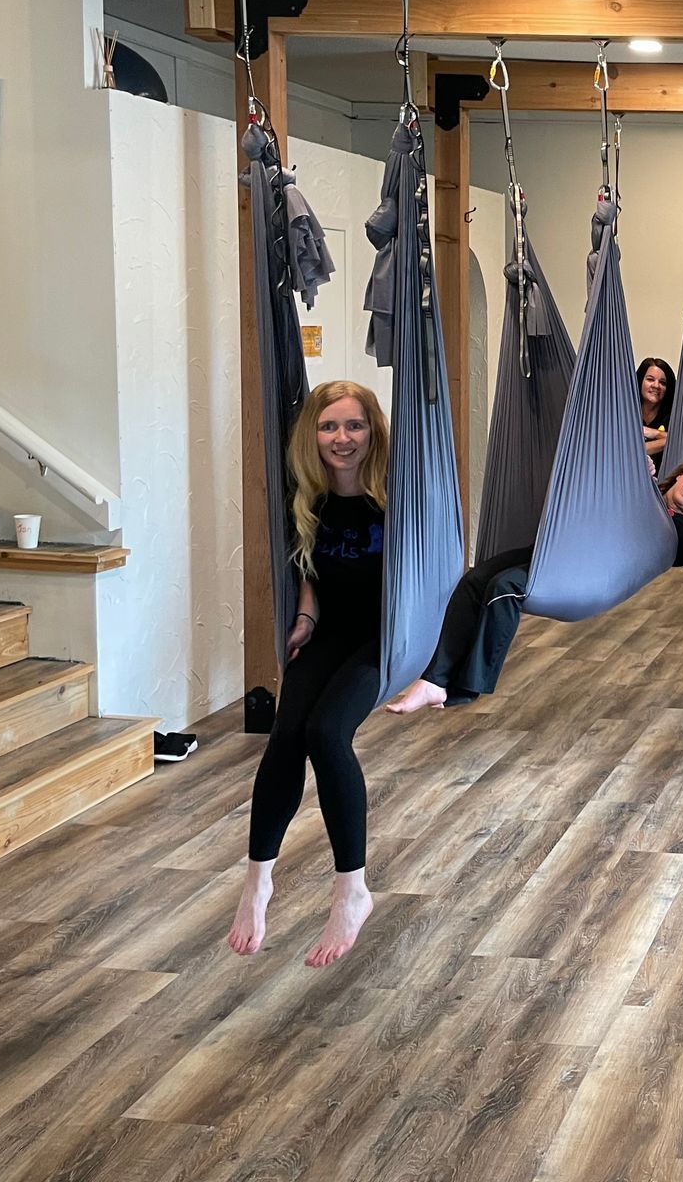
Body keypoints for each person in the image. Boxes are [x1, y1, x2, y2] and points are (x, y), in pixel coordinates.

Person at [227, 380, 390, 968]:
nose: (341, 439)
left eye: (354, 426)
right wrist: (303, 615)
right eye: (329, 427)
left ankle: (352, 889)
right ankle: (257, 882)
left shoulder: (395, 496)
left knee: (327, 733)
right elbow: (309, 572)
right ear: (312, 436)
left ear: (373, 431)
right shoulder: (306, 498)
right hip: (329, 632)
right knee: (286, 735)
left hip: (383, 639)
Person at [385, 460, 683, 713]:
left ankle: (464, 687)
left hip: (584, 575)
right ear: (681, 474)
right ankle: (435, 678)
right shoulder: (639, 483)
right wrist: (631, 466)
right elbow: (593, 468)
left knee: (506, 587)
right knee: (476, 580)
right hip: (556, 547)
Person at [636, 357, 675, 465]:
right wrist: (664, 440)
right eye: (650, 379)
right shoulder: (627, 413)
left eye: (662, 383)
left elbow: (680, 441)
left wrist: (654, 433)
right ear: (640, 381)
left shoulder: (673, 416)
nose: (656, 386)